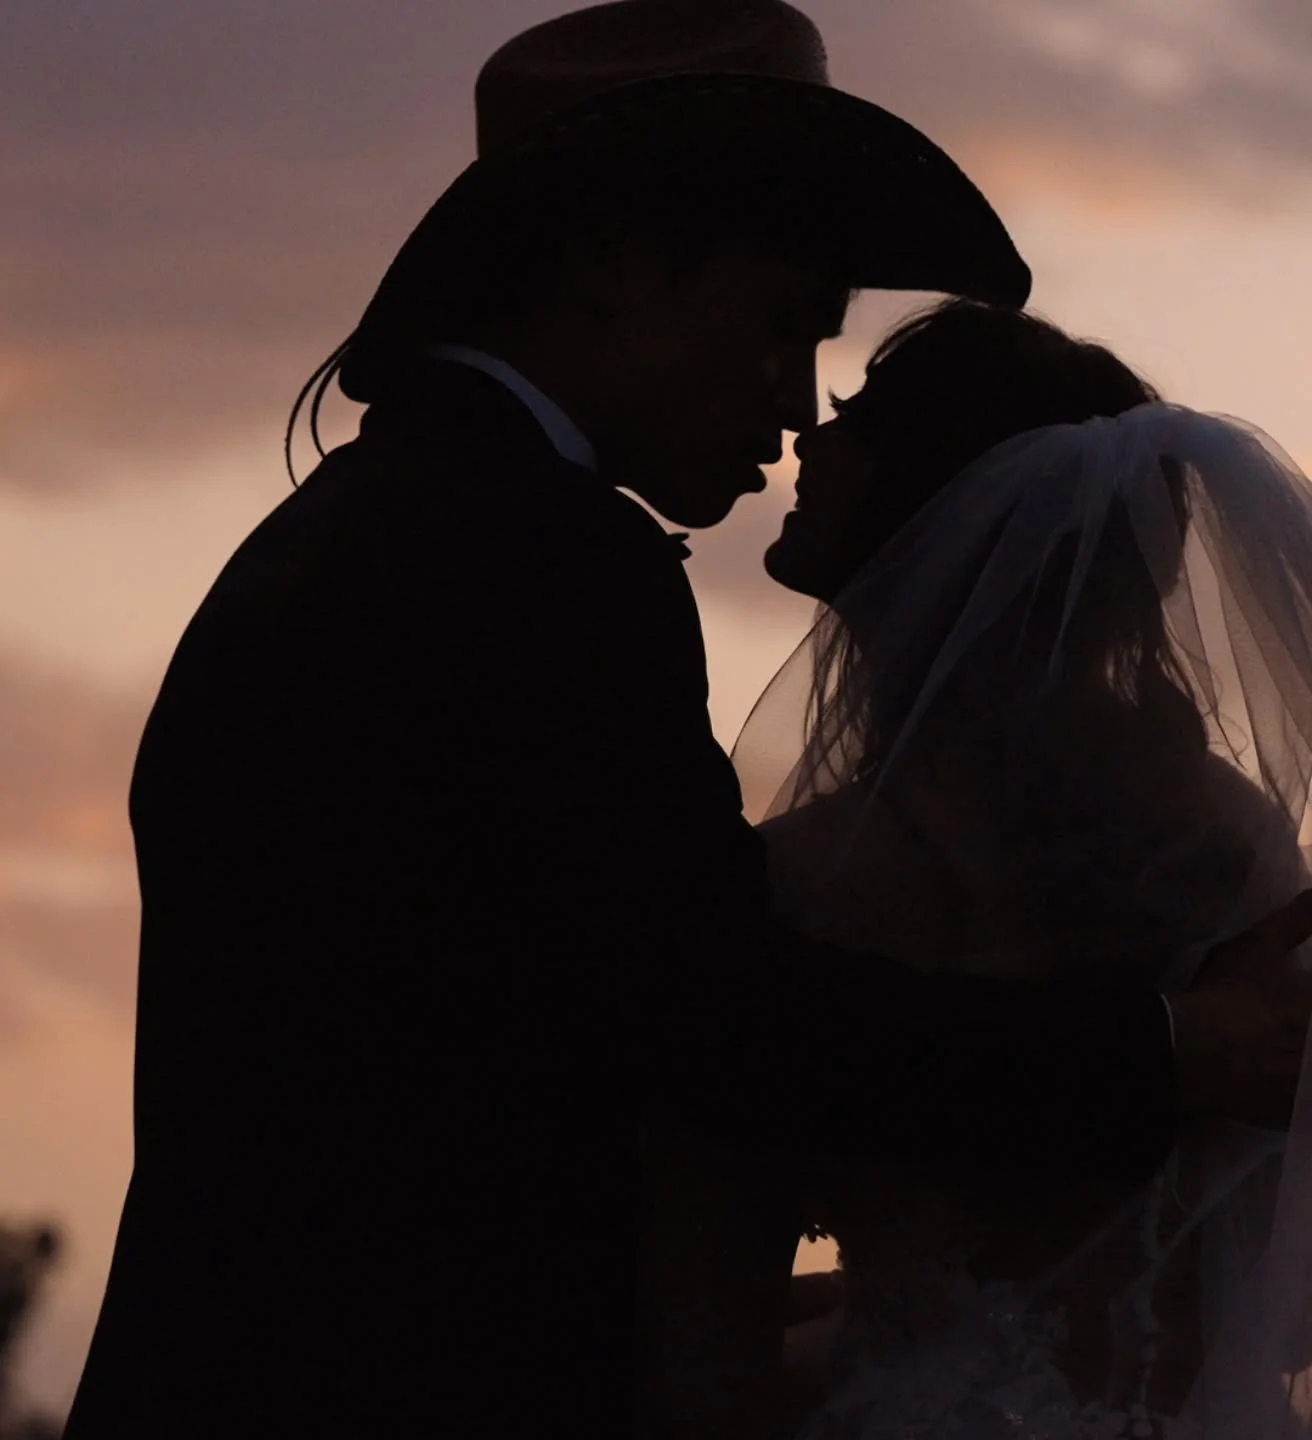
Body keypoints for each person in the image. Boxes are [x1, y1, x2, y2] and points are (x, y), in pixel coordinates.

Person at [62, 3, 1312, 1436]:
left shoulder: (361, 532)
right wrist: (1164, 1056)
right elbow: (715, 1018)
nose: (795, 406)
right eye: (785, 325)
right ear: (604, 261)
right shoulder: (538, 560)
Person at [728, 298, 1312, 1434]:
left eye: (856, 417)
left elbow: (711, 1304)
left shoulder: (815, 871)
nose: (811, 437)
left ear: (941, 501)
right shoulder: (1214, 832)